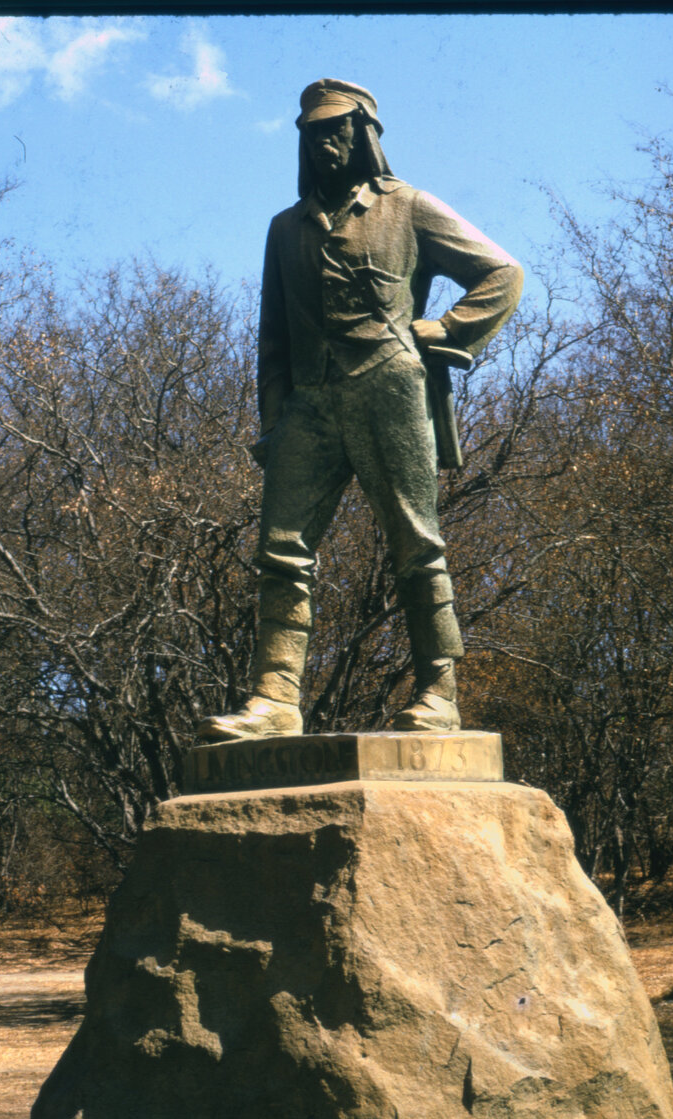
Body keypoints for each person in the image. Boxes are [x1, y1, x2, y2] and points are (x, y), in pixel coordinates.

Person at [197, 78, 523, 741]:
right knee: (281, 553)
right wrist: (272, 421)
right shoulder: (285, 229)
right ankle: (274, 699)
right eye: (313, 131)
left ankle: (438, 690)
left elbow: (502, 274)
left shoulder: (408, 207)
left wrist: (440, 330)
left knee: (416, 543)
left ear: (364, 133)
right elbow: (274, 338)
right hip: (309, 408)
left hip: (388, 389)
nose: (324, 140)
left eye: (336, 128)